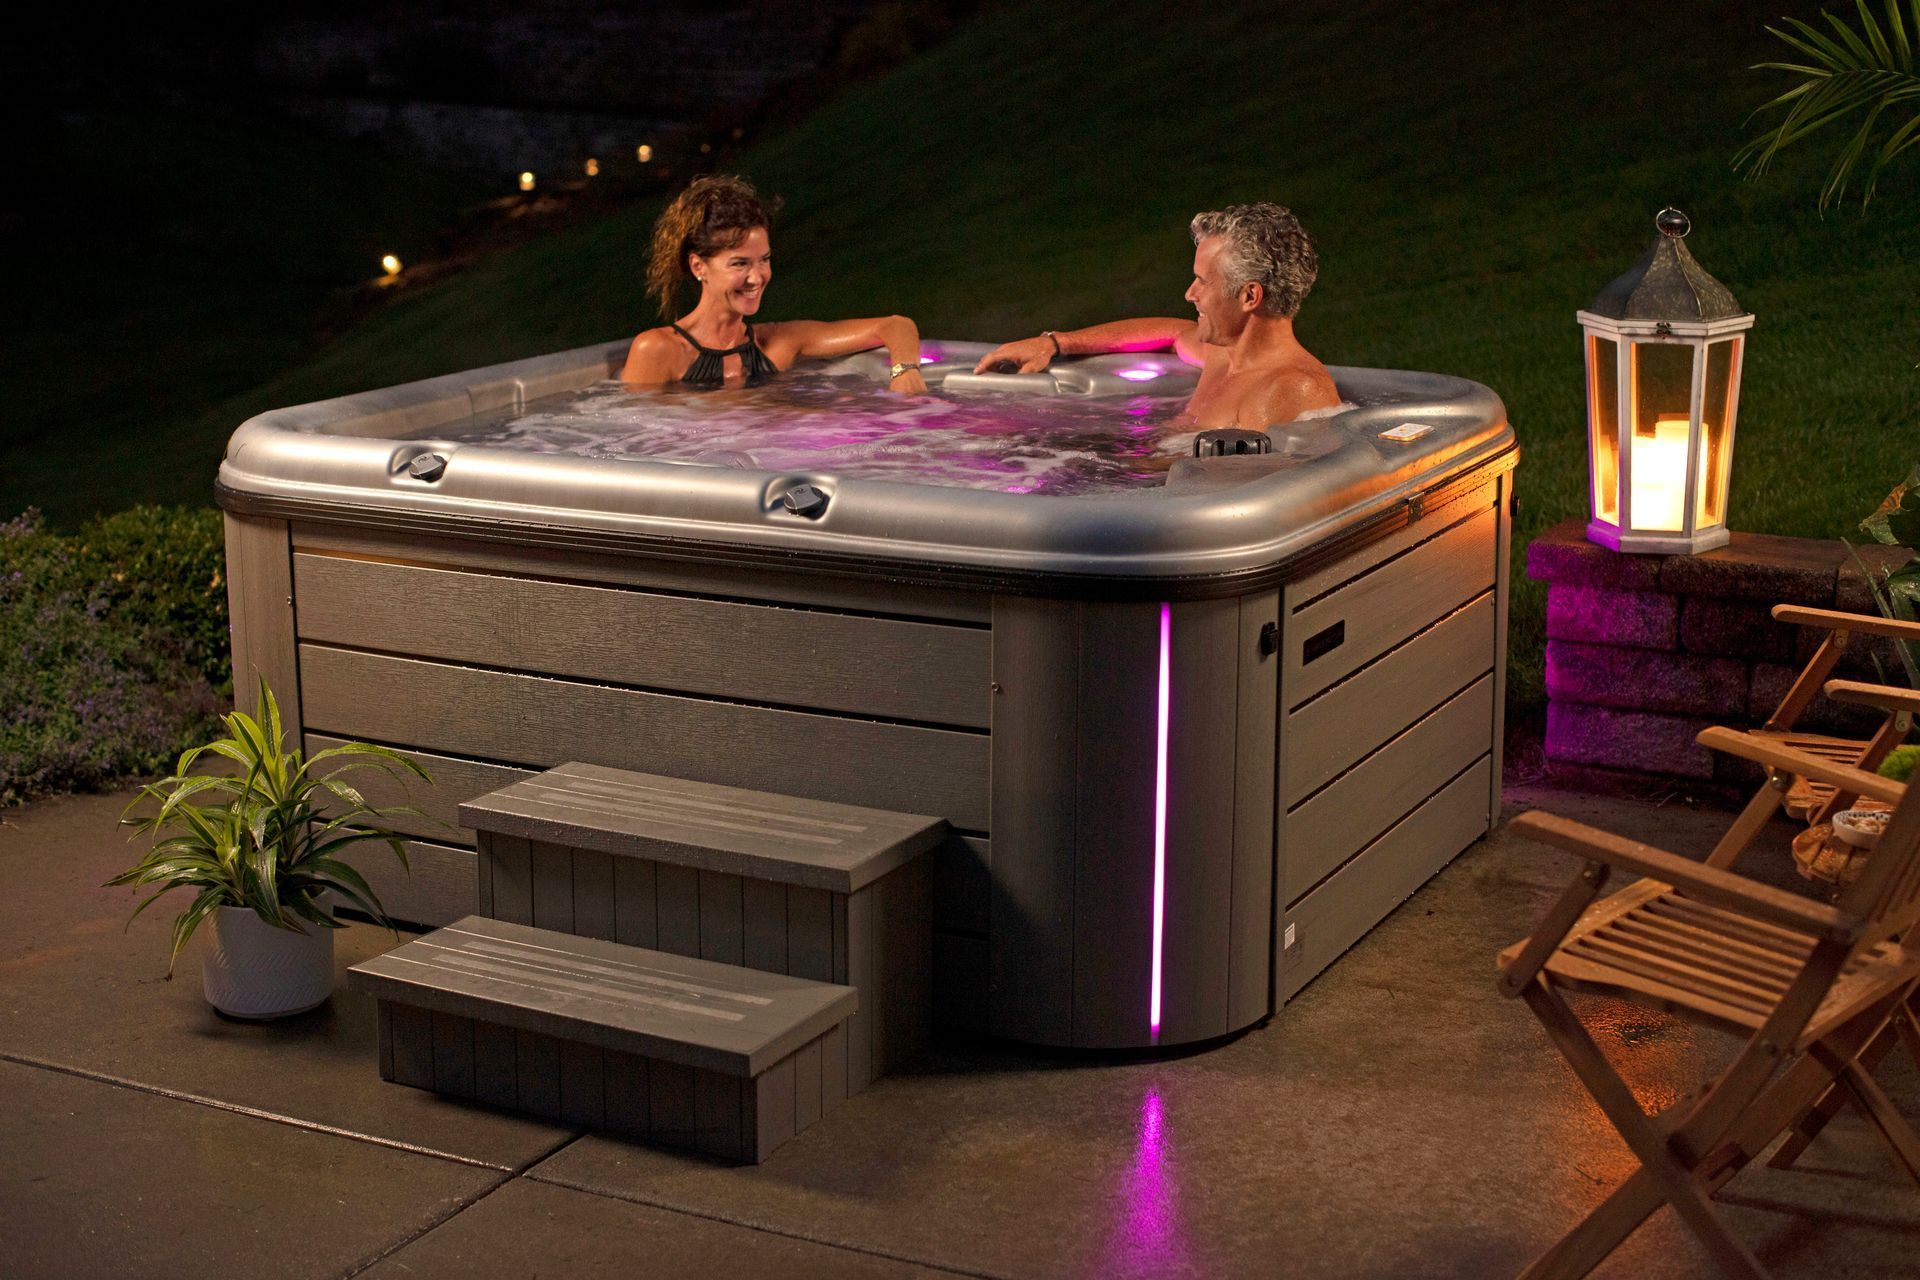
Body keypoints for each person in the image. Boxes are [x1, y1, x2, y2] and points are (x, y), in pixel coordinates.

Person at [973, 203, 1339, 429]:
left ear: (1249, 296)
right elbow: (1170, 332)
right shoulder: (1225, 353)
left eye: (1202, 281)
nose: (1189, 294)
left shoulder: (1292, 390)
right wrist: (1054, 343)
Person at [623, 175, 928, 393]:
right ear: (698, 266)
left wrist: (905, 371)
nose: (757, 277)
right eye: (740, 263)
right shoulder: (657, 349)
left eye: (764, 260)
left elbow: (895, 325)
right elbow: (634, 444)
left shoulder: (779, 344)